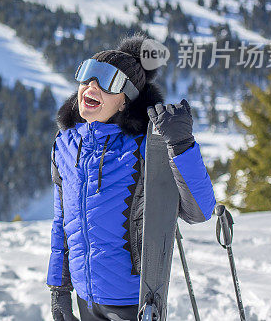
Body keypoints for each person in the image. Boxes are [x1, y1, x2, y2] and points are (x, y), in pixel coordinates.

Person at [46, 33, 216, 321]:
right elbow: (62, 223)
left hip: (133, 300)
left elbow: (199, 210)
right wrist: (59, 289)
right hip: (84, 298)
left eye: (107, 81)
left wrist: (181, 145)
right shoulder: (65, 144)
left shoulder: (146, 146)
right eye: (88, 74)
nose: (91, 86)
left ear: (125, 102)